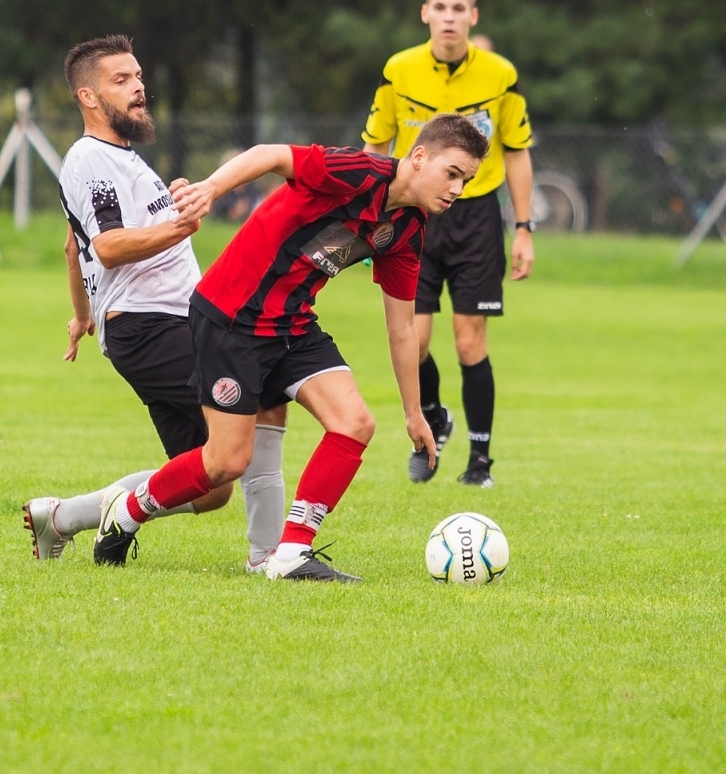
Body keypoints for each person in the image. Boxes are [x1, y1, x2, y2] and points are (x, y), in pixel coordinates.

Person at [93, 114, 488, 582]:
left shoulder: (407, 231)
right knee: (225, 463)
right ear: (419, 157)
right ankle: (128, 510)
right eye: (453, 173)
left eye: (466, 180)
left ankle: (291, 552)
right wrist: (212, 189)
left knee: (355, 424)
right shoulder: (358, 172)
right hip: (231, 317)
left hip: (292, 322)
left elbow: (402, 328)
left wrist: (414, 411)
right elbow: (271, 155)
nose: (457, 189)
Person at [22, 34, 287, 573]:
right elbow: (108, 247)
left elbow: (73, 247)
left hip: (157, 326)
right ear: (88, 98)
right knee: (261, 403)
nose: (138, 87)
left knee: (210, 482)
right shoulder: (91, 159)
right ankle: (272, 558)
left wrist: (82, 315)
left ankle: (63, 517)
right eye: (121, 80)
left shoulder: (124, 161)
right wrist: (179, 224)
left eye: (138, 76)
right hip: (152, 327)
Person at [362, 0, 535, 489]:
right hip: (414, 216)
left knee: (469, 343)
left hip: (477, 217)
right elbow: (374, 147)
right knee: (414, 341)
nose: (449, 18)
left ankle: (480, 461)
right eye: (440, 7)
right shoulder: (399, 70)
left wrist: (524, 227)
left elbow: (520, 154)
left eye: (459, 9)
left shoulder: (500, 76)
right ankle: (434, 415)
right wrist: (368, 219)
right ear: (425, 13)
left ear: (473, 16)